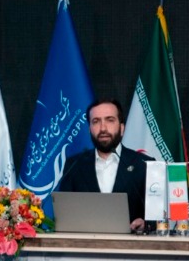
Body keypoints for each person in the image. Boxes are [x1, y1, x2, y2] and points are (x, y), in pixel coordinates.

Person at [55, 97, 156, 229]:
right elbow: (64, 214)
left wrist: (146, 224)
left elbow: (157, 216)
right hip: (85, 240)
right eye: (96, 121)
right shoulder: (74, 165)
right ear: (89, 129)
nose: (103, 128)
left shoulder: (144, 164)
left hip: (132, 241)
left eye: (110, 120)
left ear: (122, 128)